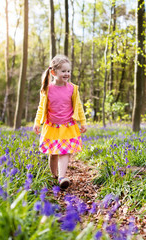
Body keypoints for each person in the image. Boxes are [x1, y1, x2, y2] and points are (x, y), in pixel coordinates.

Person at [33, 55, 87, 189]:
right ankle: (54, 175)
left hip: (67, 126)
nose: (67, 74)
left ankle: (62, 177)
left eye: (68, 71)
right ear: (53, 72)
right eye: (63, 71)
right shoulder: (47, 89)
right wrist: (37, 122)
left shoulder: (72, 89)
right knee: (53, 154)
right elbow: (41, 107)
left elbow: (78, 106)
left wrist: (83, 122)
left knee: (65, 152)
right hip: (52, 126)